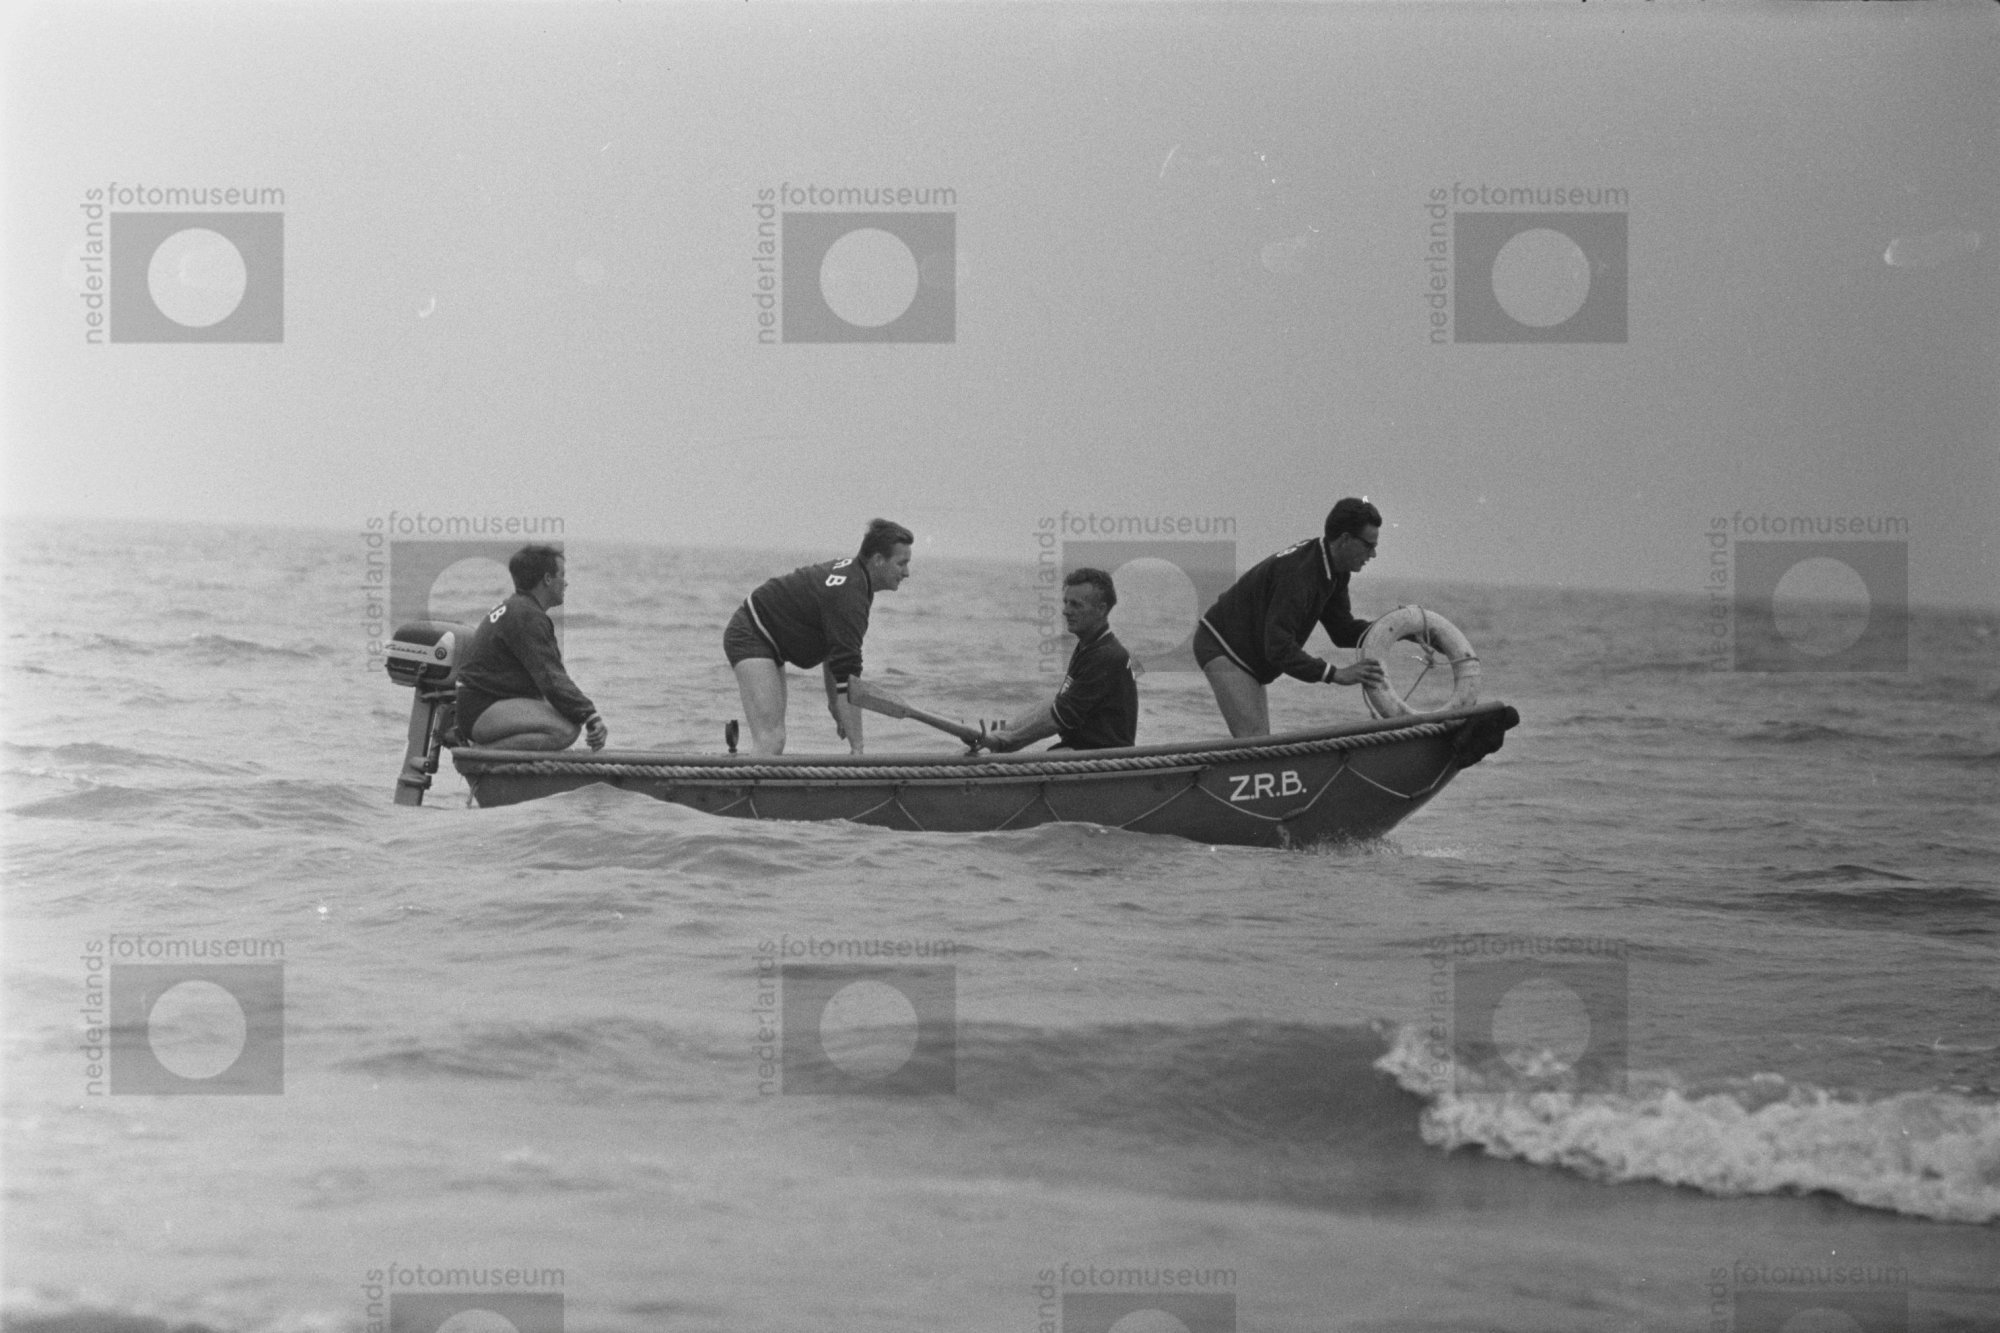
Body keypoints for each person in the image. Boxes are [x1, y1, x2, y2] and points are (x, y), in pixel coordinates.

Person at [1193, 497, 1389, 738]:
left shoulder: (1333, 569)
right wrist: (1335, 674)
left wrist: (1399, 627)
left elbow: (1342, 631)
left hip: (1250, 654)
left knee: (1260, 743)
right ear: (1345, 539)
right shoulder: (1300, 575)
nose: (1373, 554)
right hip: (1223, 645)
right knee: (1255, 742)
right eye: (1369, 546)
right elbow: (1278, 647)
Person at [724, 519, 913, 754]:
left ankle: (756, 772)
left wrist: (835, 705)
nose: (907, 573)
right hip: (751, 632)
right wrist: (858, 750)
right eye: (901, 563)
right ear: (878, 560)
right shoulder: (850, 596)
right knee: (771, 739)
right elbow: (848, 676)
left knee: (774, 739)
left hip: (770, 639)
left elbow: (837, 654)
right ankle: (745, 777)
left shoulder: (857, 579)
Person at [453, 545, 608, 751]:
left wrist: (579, 710)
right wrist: (590, 715)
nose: (566, 582)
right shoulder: (526, 615)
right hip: (481, 708)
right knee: (566, 730)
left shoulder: (516, 607)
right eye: (562, 575)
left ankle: (490, 756)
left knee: (563, 715)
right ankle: (478, 759)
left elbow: (548, 680)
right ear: (547, 579)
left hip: (482, 703)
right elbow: (551, 678)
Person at [987, 568, 1139, 753]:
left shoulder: (1107, 656)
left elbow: (1062, 716)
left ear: (1101, 609)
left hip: (1102, 756)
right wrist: (1007, 731)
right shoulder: (1089, 646)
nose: (1065, 611)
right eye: (1065, 602)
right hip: (1079, 749)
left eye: (1075, 605)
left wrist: (1009, 742)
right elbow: (1057, 704)